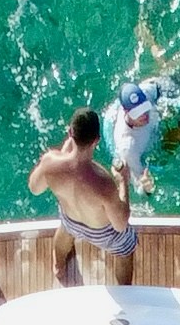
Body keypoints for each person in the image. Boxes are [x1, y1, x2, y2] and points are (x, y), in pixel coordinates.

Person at [28, 108, 138, 285]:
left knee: (65, 230)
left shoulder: (50, 162)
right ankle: (124, 289)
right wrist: (123, 181)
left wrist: (61, 154)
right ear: (97, 140)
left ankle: (58, 266)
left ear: (70, 132)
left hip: (70, 219)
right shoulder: (103, 182)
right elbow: (120, 224)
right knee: (125, 248)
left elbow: (35, 188)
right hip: (102, 232)